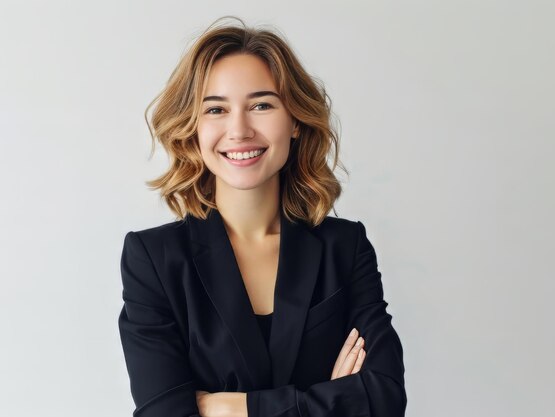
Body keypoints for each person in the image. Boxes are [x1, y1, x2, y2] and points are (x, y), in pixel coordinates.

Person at [118, 15, 407, 417]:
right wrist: (327, 401)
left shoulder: (345, 247)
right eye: (216, 110)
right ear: (192, 129)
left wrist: (229, 408)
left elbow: (384, 400)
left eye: (261, 105)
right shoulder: (153, 259)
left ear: (294, 121)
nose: (239, 130)